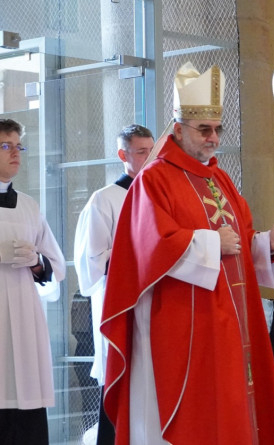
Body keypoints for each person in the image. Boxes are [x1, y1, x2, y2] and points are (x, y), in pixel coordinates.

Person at [100, 63, 274, 445]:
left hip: (228, 324)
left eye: (217, 129)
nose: (213, 138)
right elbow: (152, 246)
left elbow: (239, 239)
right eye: (204, 129)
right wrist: (213, 244)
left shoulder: (220, 179)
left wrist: (265, 243)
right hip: (182, 325)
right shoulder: (153, 180)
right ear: (179, 128)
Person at [74, 123, 154, 445]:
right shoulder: (104, 199)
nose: (151, 158)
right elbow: (91, 261)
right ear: (123, 155)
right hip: (119, 303)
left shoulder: (160, 197)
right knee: (120, 383)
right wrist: (140, 254)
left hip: (155, 304)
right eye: (142, 152)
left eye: (153, 151)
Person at [0, 118, 66, 445]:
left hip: (25, 320)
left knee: (26, 408)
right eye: (6, 146)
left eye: (19, 146)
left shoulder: (28, 205)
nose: (16, 153)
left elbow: (55, 263)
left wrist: (37, 262)